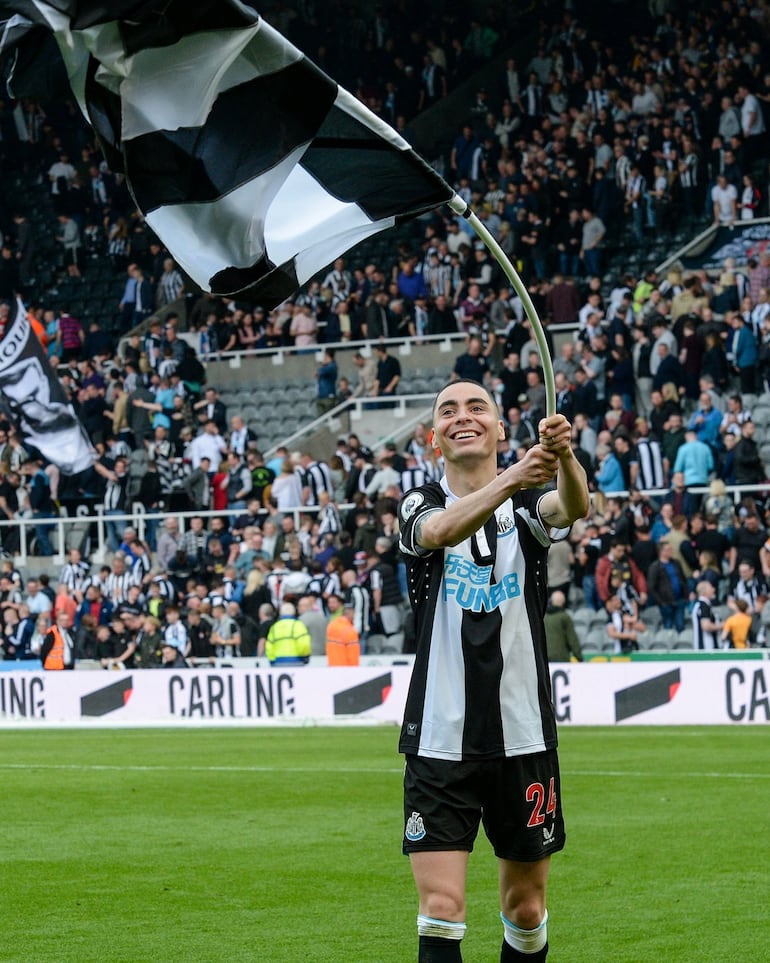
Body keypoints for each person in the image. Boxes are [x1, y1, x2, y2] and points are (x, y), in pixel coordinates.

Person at [397, 378, 589, 963]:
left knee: (526, 910)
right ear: (435, 438)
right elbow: (439, 532)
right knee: (442, 909)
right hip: (438, 737)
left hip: (523, 734)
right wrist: (514, 475)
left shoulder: (530, 508)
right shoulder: (417, 503)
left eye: (477, 407)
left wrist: (565, 457)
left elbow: (574, 506)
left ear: (501, 428)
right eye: (448, 410)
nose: (464, 416)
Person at [543, 591, 583, 662]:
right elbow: (572, 640)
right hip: (561, 658)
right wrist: (579, 658)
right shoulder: (564, 617)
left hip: (544, 658)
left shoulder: (543, 616)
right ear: (563, 603)